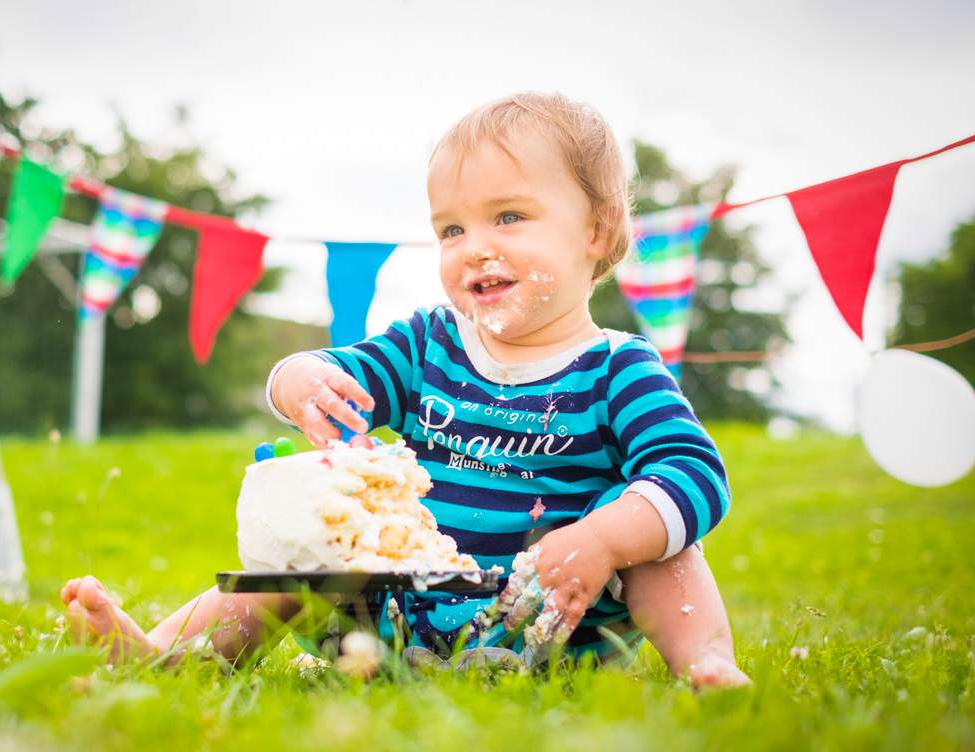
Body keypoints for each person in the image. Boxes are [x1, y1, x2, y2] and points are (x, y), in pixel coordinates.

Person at [62, 91, 749, 687]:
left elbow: (694, 475)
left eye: (508, 217)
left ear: (595, 230)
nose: (474, 246)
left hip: (554, 627)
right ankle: (160, 654)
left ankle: (708, 665)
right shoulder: (430, 344)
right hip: (390, 625)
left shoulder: (619, 370)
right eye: (451, 229)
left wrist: (603, 539)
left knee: (663, 540)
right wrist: (302, 382)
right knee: (291, 557)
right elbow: (340, 370)